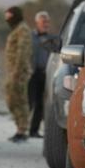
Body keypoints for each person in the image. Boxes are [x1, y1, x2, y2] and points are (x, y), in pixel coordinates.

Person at [4, 6, 32, 142]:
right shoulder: (16, 29)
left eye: (9, 17)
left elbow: (22, 53)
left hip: (19, 72)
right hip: (13, 72)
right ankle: (20, 127)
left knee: (20, 100)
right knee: (11, 100)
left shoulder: (23, 30)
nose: (7, 20)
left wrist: (16, 72)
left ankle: (22, 130)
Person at [28, 10, 54, 138]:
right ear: (37, 23)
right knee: (28, 101)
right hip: (30, 74)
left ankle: (34, 131)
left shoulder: (51, 39)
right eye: (43, 21)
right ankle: (21, 129)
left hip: (44, 74)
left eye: (47, 21)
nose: (46, 24)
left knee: (40, 103)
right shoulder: (29, 37)